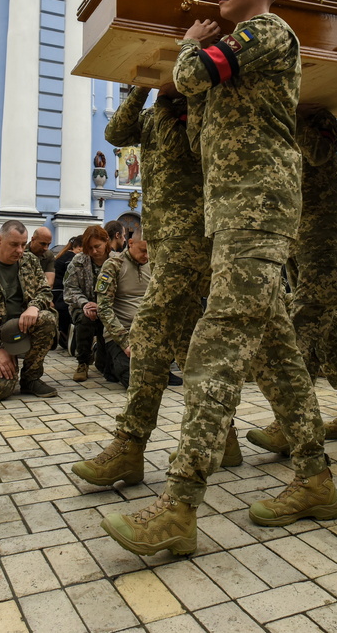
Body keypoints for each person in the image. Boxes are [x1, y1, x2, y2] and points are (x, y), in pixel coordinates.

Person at [102, 0, 337, 558]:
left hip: (257, 212)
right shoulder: (240, 49)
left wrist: (187, 46)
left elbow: (189, 73)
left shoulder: (267, 32)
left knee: (216, 344)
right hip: (231, 216)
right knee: (277, 349)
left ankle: (180, 505)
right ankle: (316, 477)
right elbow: (186, 111)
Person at [73, 85, 222, 490]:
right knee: (191, 345)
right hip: (166, 241)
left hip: (193, 240)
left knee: (152, 333)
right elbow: (116, 133)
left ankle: (130, 445)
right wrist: (140, 86)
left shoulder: (205, 104)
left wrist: (192, 88)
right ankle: (221, 440)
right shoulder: (155, 115)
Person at [246, 107, 337, 452]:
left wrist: (293, 120)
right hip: (294, 233)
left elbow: (318, 153)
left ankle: (291, 421)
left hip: (322, 231)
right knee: (328, 327)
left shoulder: (319, 118)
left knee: (305, 320)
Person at [0, 220, 58, 400]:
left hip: (21, 330)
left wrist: (34, 307)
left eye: (23, 244)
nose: (20, 250)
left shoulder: (30, 262)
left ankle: (31, 378)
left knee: (47, 318)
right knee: (0, 390)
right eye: (14, 245)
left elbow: (45, 291)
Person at [95, 227, 152, 387]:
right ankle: (106, 358)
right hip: (121, 332)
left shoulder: (153, 265)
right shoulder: (114, 265)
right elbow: (104, 308)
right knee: (134, 382)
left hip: (146, 331)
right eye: (143, 250)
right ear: (131, 243)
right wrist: (125, 342)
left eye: (150, 251)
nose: (146, 256)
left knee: (155, 379)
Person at [64, 225, 111, 382]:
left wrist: (103, 306)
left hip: (110, 308)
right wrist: (85, 304)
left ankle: (102, 355)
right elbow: (70, 288)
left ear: (106, 242)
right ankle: (83, 362)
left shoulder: (117, 261)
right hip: (83, 308)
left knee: (106, 367)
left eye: (97, 246)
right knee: (86, 319)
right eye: (89, 248)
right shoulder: (79, 261)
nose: (94, 251)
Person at [51, 237, 81, 350]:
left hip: (56, 292)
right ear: (79, 247)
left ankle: (62, 335)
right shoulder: (72, 258)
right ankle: (67, 337)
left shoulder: (62, 255)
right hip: (61, 293)